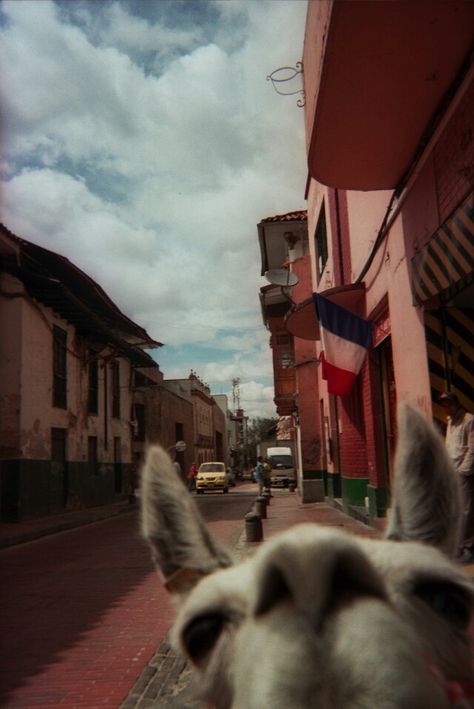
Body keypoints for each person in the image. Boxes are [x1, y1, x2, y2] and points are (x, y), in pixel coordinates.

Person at [439, 392, 474, 562]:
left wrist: (463, 471)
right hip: (451, 471)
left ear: (456, 404)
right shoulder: (449, 421)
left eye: (449, 404)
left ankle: (465, 546)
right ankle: (456, 544)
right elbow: (449, 446)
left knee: (464, 511)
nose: (447, 407)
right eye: (444, 405)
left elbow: (472, 449)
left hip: (463, 473)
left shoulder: (469, 420)